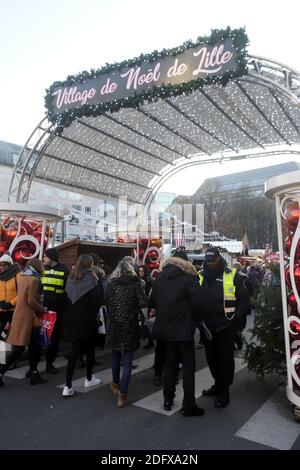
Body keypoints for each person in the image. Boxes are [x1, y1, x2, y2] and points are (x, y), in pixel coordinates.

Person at [149, 249, 204, 417]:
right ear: (186, 263)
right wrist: (195, 321)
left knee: (170, 364)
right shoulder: (190, 278)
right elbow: (198, 304)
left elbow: (152, 301)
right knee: (188, 366)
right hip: (184, 329)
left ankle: (168, 400)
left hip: (165, 329)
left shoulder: (160, 277)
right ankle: (188, 404)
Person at [198, 247, 249, 408]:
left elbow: (243, 298)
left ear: (219, 258)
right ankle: (218, 385)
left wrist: (235, 318)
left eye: (212, 260)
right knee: (212, 359)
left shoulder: (232, 274)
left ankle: (224, 391)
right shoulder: (200, 276)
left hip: (226, 326)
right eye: (208, 260)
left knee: (226, 360)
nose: (210, 263)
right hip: (207, 326)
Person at [105, 257, 148, 408]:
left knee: (116, 355)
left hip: (114, 324)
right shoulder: (135, 283)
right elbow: (143, 302)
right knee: (128, 360)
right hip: (130, 324)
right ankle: (122, 396)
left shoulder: (110, 284)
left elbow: (107, 303)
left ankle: (115, 384)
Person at [0, 259, 48, 386]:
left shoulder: (22, 277)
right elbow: (31, 301)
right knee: (23, 349)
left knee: (29, 347)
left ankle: (34, 373)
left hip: (19, 315)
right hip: (29, 318)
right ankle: (31, 373)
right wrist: (43, 309)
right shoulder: (34, 280)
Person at [62, 254, 102, 397]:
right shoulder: (92, 279)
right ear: (90, 264)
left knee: (74, 353)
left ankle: (67, 386)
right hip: (88, 321)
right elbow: (97, 304)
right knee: (90, 351)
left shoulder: (70, 279)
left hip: (73, 321)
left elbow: (66, 300)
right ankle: (89, 379)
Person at [42, 248, 69, 374]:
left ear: (52, 257)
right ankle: (33, 367)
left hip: (57, 310)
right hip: (42, 310)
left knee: (53, 339)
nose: (43, 259)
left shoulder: (64, 270)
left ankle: (49, 363)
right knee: (39, 338)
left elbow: (67, 290)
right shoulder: (42, 269)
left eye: (45, 257)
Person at [0, 254, 22, 340]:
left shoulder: (18, 275)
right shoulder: (0, 276)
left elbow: (22, 292)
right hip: (1, 309)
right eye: (0, 265)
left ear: (9, 265)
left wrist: (11, 303)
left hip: (14, 310)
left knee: (13, 334)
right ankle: (2, 350)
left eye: (4, 264)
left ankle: (8, 351)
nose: (2, 267)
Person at [138, 265, 154, 349]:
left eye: (142, 271)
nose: (140, 272)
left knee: (146, 322)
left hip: (146, 304)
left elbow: (149, 293)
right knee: (145, 322)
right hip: (144, 304)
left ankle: (150, 340)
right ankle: (150, 340)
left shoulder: (147, 280)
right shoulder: (142, 280)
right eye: (139, 271)